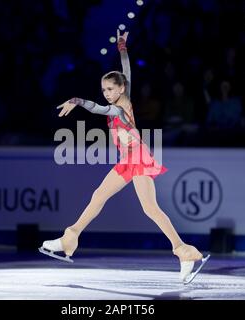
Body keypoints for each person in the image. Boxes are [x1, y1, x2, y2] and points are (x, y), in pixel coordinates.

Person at [39, 30, 210, 284]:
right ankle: (70, 236)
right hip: (127, 160)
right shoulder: (125, 94)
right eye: (103, 89)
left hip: (138, 158)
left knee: (150, 208)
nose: (106, 92)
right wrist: (122, 46)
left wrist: (76, 100)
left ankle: (183, 250)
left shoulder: (119, 107)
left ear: (120, 89)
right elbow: (127, 69)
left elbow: (99, 108)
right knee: (99, 196)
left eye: (110, 88)